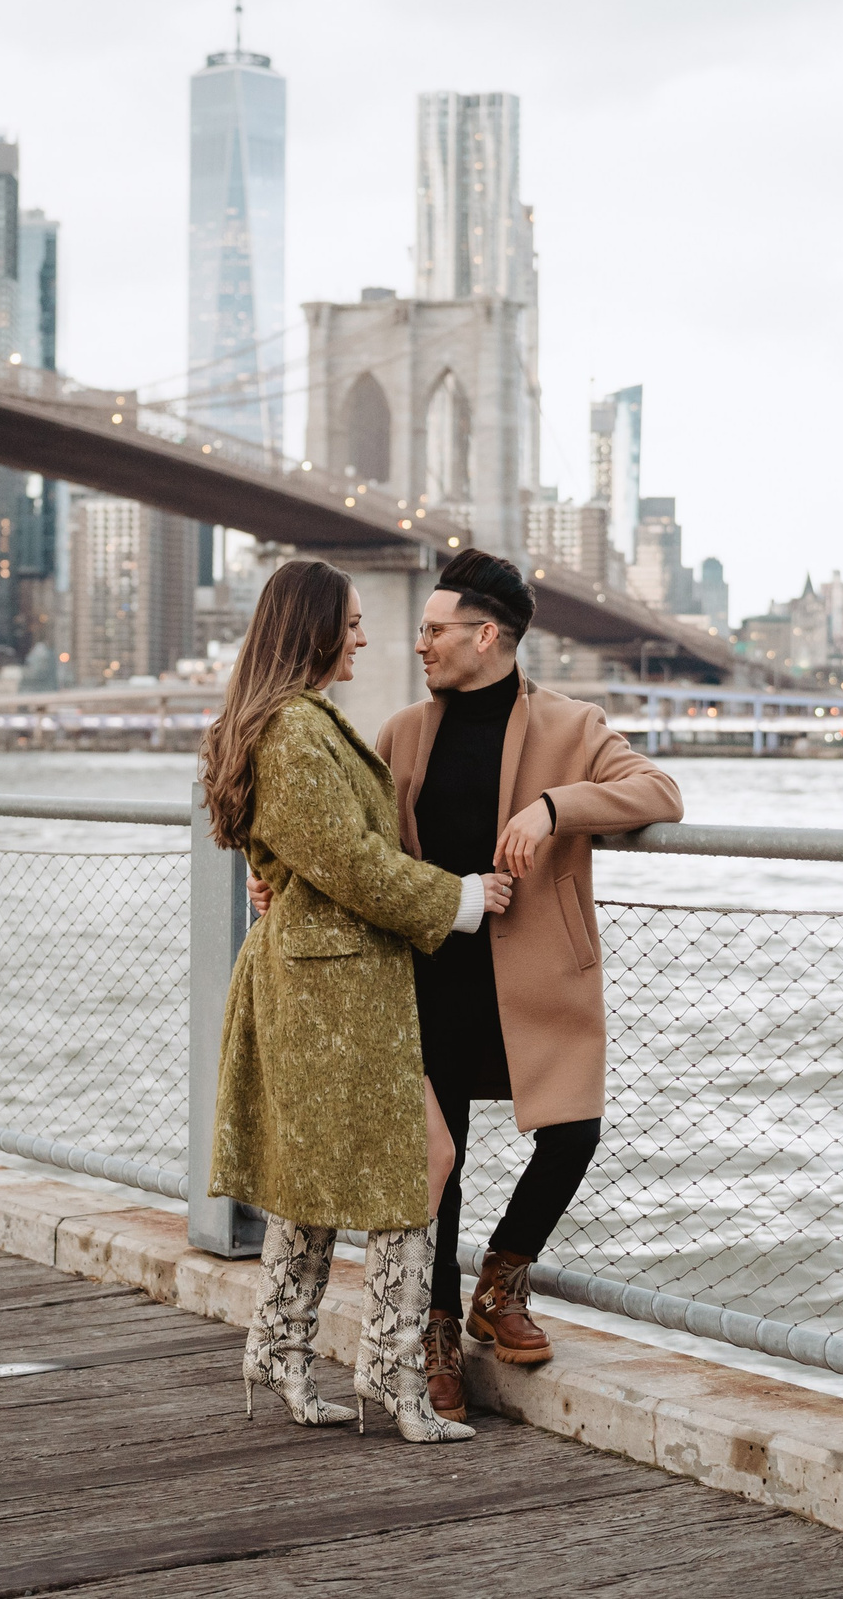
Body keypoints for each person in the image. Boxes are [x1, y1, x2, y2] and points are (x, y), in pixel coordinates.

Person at [201, 557, 511, 1444]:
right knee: (420, 1158)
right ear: (313, 629)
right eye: (354, 623)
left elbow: (306, 853)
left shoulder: (290, 721)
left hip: (329, 983)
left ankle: (281, 1348)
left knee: (323, 1173)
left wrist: (278, 879)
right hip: (331, 992)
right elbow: (352, 862)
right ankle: (393, 1372)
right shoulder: (293, 731)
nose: (367, 640)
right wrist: (461, 898)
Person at [377, 548, 682, 1421]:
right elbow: (359, 844)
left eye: (434, 629)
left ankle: (502, 1282)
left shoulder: (572, 725)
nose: (420, 643)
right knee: (440, 1158)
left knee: (574, 1131)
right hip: (432, 972)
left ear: (486, 636)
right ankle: (437, 1326)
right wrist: (274, 874)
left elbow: (659, 791)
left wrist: (553, 808)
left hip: (541, 974)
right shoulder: (404, 733)